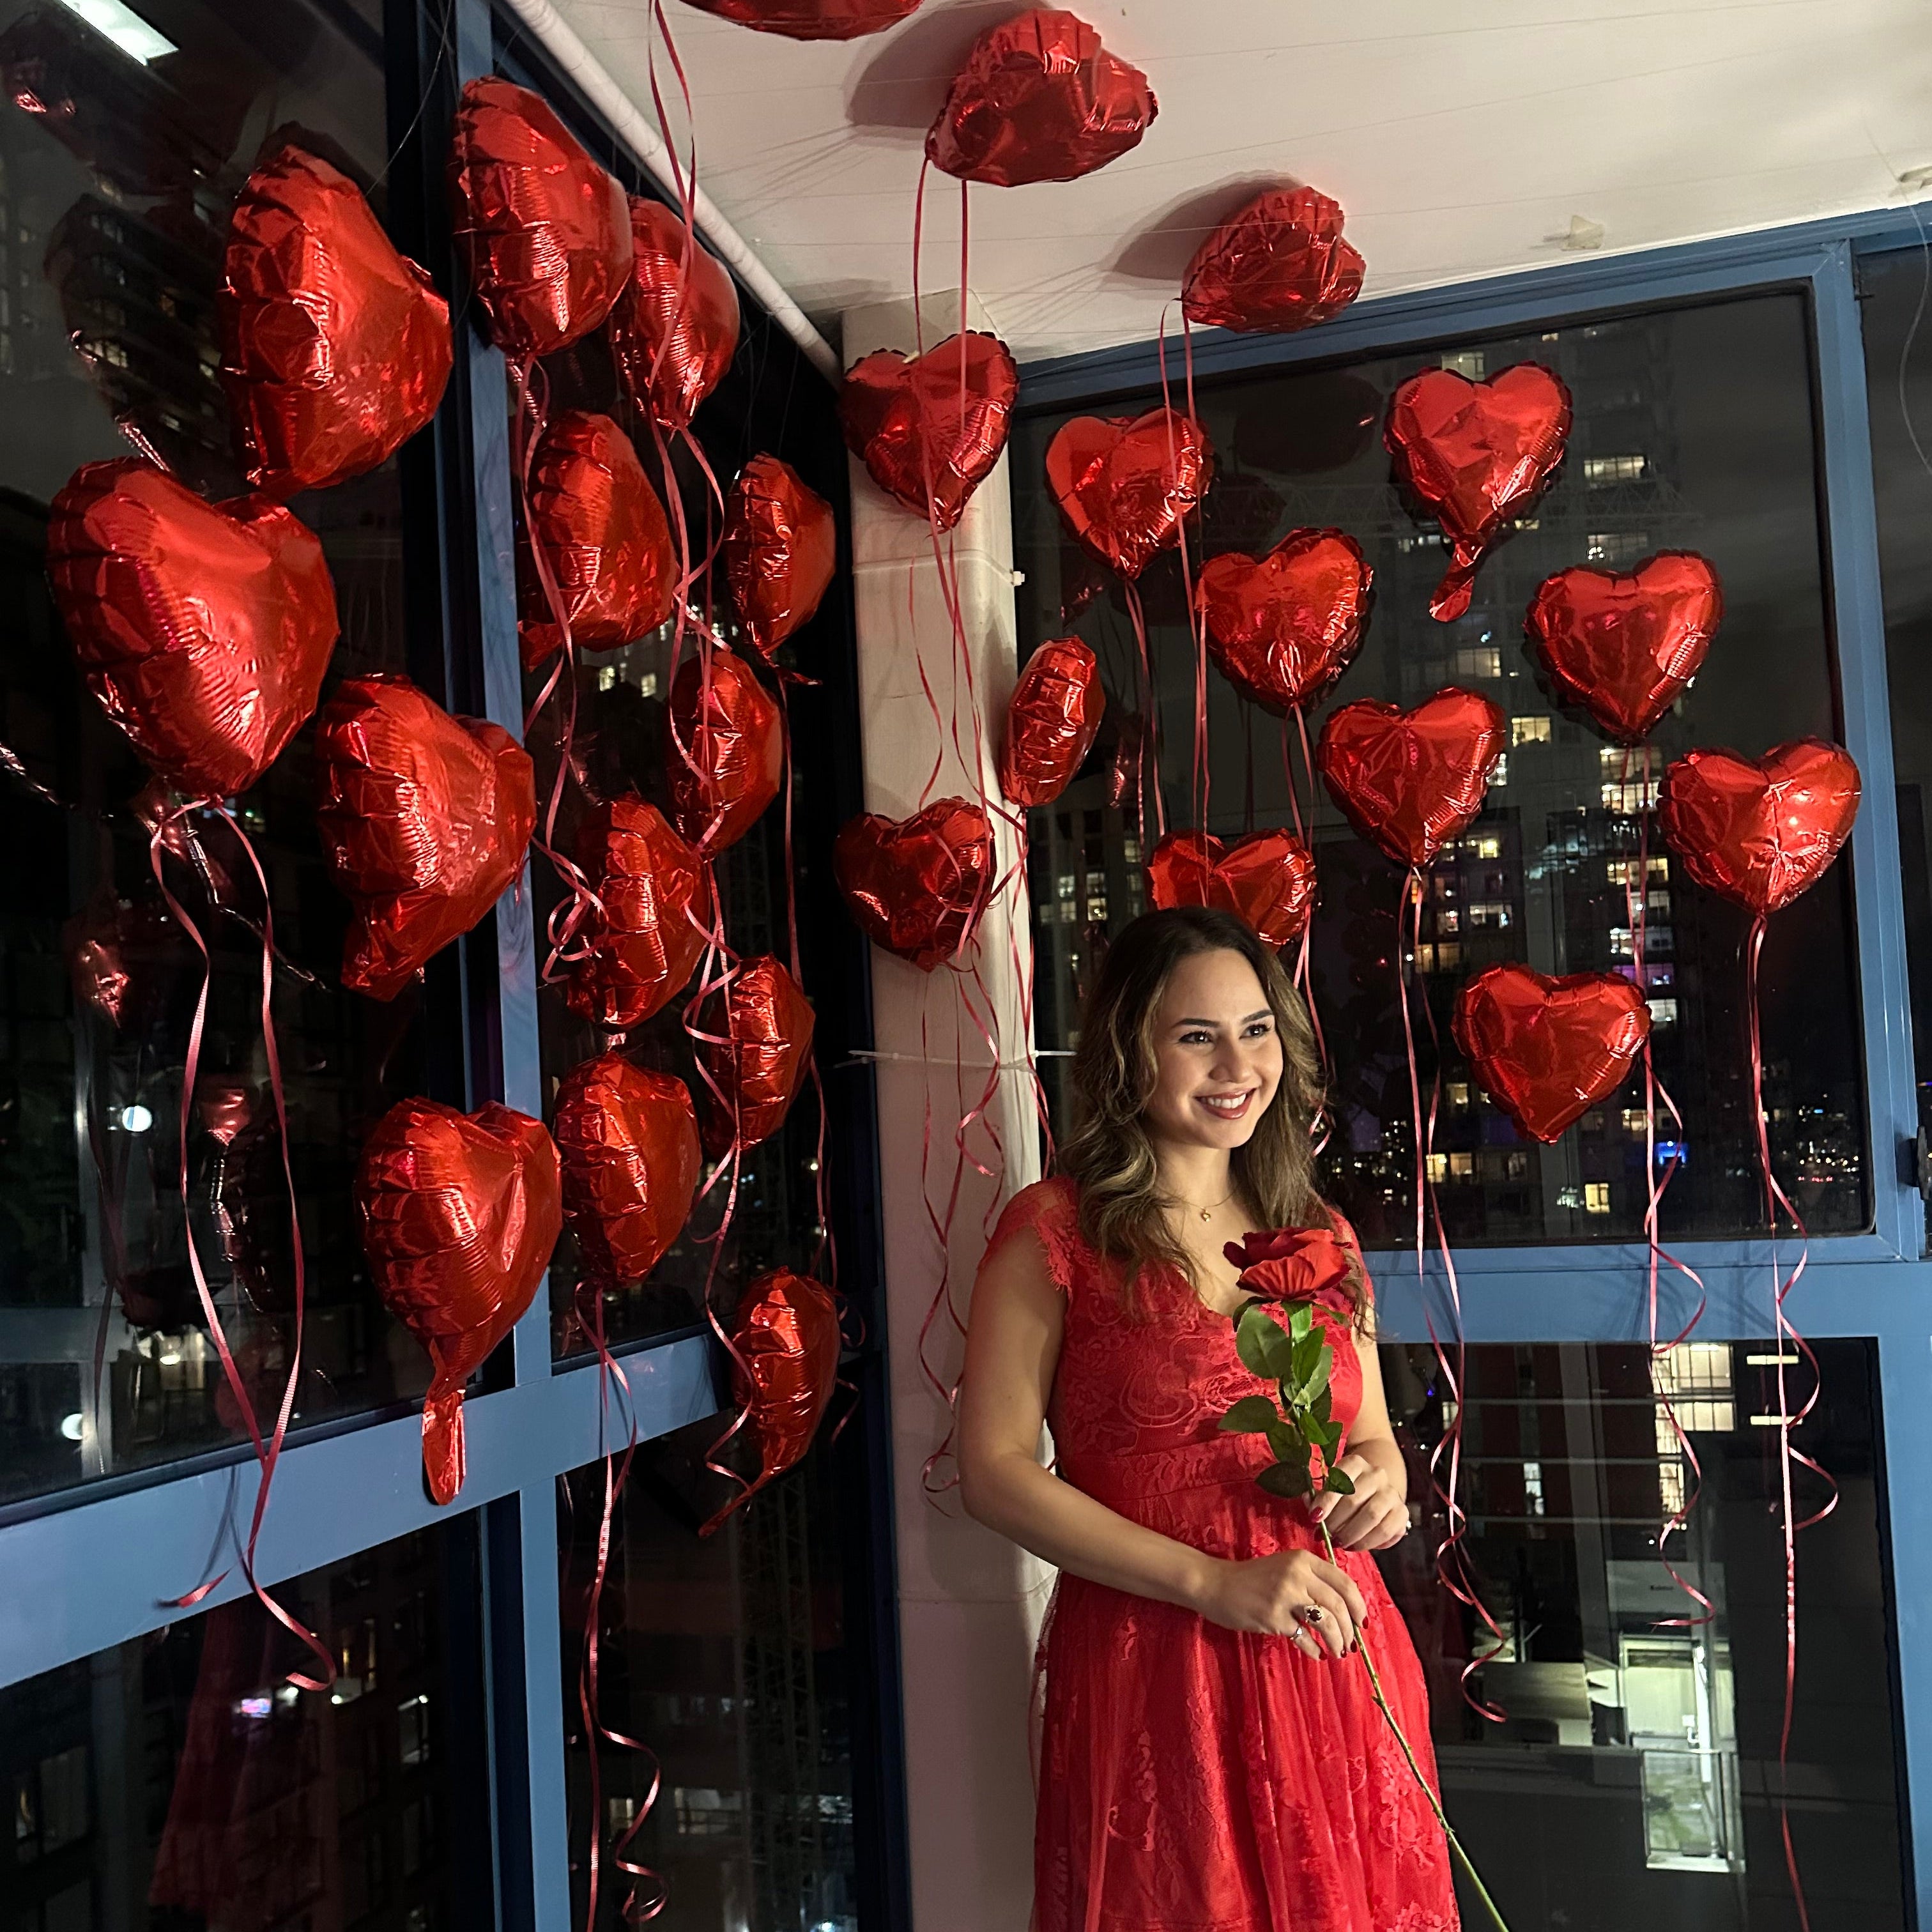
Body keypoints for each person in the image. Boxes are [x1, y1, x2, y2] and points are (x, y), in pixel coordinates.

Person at [958, 905, 1458, 1931]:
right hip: (1159, 1658)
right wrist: (1213, 1583)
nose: (1238, 1063)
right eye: (1197, 1036)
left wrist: (1386, 1485)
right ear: (1129, 1054)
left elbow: (1369, 1436)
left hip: (1332, 1649)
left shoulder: (1316, 1231)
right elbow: (996, 1471)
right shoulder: (1056, 1230)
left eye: (1257, 1029)